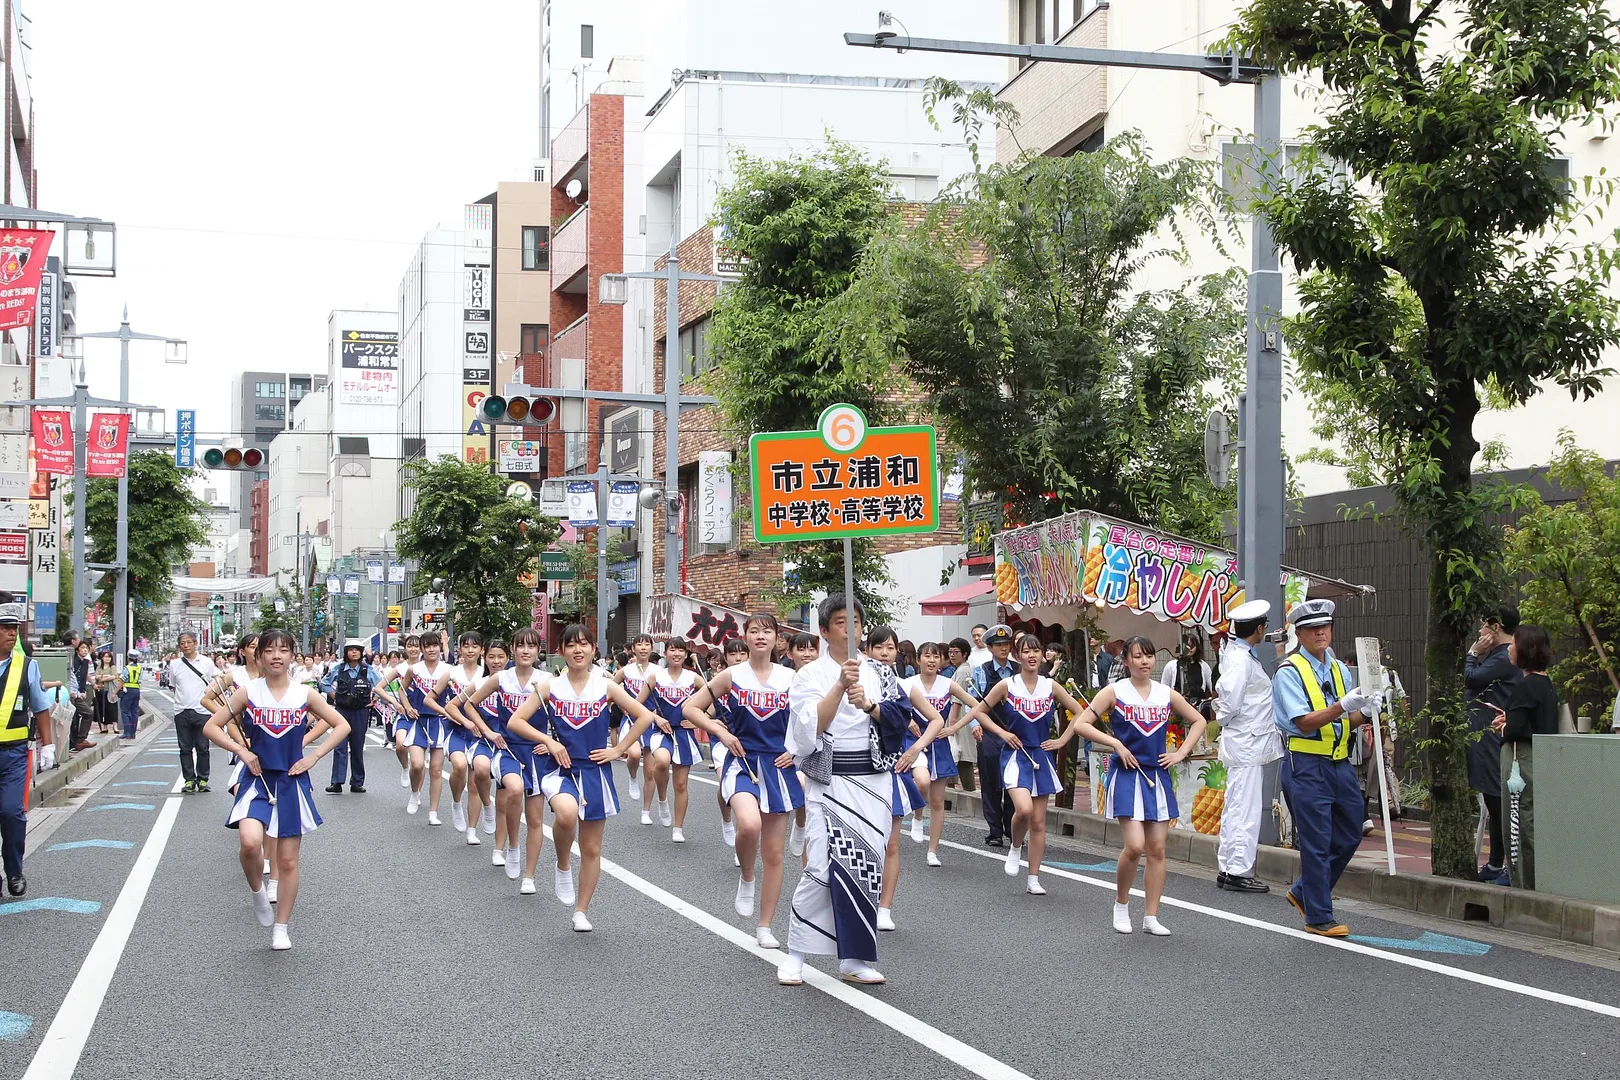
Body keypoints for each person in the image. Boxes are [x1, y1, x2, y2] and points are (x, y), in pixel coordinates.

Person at [203, 628, 350, 951]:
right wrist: (243, 752)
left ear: (292, 656)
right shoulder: (248, 692)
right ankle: (257, 891)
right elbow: (211, 726)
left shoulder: (305, 694)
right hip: (257, 779)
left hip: (292, 782)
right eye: (269, 651)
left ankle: (281, 927)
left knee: (287, 862)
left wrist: (312, 756)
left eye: (283, 650)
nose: (276, 656)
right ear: (258, 656)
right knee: (249, 842)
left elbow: (342, 725)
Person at [506, 623, 660, 930]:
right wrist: (549, 741)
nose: (578, 650)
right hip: (560, 769)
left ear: (593, 649)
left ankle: (581, 910)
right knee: (565, 814)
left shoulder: (606, 686)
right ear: (561, 651)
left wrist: (618, 750)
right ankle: (563, 862)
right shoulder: (550, 686)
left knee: (591, 848)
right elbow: (515, 721)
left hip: (596, 770)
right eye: (571, 645)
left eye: (584, 644)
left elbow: (644, 716)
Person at [1055, 635, 1206, 934]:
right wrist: (1115, 744)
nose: (1145, 661)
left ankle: (1151, 916)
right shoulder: (1114, 691)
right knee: (1135, 846)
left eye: (1148, 656)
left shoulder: (1166, 693)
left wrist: (1181, 753)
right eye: (1137, 656)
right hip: (1126, 775)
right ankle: (1121, 903)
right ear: (1126, 661)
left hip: (1157, 776)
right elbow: (1082, 724)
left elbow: (1199, 720)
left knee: (1158, 849)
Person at [780, 594, 890, 987]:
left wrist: (873, 705)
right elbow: (808, 732)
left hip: (873, 781)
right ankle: (795, 952)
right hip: (831, 782)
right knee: (821, 867)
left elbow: (898, 720)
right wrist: (841, 687)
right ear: (825, 631)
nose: (851, 629)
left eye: (857, 621)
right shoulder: (809, 676)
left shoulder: (880, 671)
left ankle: (855, 957)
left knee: (865, 868)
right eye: (842, 622)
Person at [965, 633, 1114, 897]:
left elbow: (1081, 712)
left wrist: (1062, 740)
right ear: (1017, 655)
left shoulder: (1051, 686)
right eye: (1026, 651)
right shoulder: (1007, 685)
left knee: (1039, 822)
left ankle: (1033, 876)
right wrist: (1002, 734)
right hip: (1015, 755)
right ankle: (1015, 847)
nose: (1032, 656)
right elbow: (978, 712)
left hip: (1042, 756)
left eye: (1036, 650)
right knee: (1022, 809)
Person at [684, 615, 799, 947]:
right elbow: (691, 709)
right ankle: (747, 874)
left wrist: (798, 750)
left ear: (778, 639)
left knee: (775, 854)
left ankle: (765, 926)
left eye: (767, 631)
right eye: (754, 631)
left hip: (778, 766)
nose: (760, 636)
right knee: (748, 825)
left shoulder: (792, 678)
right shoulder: (730, 675)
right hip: (742, 762)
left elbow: (812, 722)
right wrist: (719, 730)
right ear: (744, 637)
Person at [1273, 599, 1377, 937]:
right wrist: (1343, 706)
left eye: (1326, 626)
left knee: (1350, 832)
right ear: (1299, 635)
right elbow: (1303, 722)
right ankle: (1318, 916)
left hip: (1339, 762)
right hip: (1305, 764)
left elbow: (1347, 718)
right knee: (1316, 840)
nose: (1321, 632)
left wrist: (1369, 711)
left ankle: (1305, 891)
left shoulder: (1338, 669)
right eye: (1312, 628)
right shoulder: (1289, 671)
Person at [864, 626, 946, 932]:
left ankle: (885, 907)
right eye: (878, 648)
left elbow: (936, 720)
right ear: (867, 651)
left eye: (890, 648)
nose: (885, 654)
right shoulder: (858, 682)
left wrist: (915, 749)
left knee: (891, 844)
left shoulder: (902, 686)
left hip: (892, 770)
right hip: (859, 771)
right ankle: (860, 901)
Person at [460, 630, 545, 883]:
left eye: (531, 646)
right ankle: (513, 845)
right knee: (514, 790)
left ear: (538, 651)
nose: (526, 651)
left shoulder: (547, 680)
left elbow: (560, 716)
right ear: (513, 650)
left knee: (535, 817)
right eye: (521, 646)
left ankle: (529, 877)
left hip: (537, 753)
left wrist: (552, 742)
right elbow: (468, 704)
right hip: (507, 749)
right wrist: (487, 730)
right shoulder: (500, 679)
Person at [1212, 600, 1283, 893]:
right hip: (1247, 743)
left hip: (1245, 743)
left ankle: (1229, 867)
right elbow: (1228, 705)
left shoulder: (1239, 655)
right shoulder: (1242, 661)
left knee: (1236, 806)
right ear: (1258, 629)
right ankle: (1239, 871)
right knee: (1246, 808)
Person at [1490, 623, 1558, 891]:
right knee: (1531, 819)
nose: (1509, 647)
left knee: (1517, 821)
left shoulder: (1524, 686)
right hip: (1539, 758)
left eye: (1513, 643)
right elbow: (1537, 721)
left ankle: (1522, 882)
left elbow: (1515, 730)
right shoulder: (1544, 683)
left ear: (1524, 650)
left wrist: (1504, 726)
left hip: (1520, 761)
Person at [0, 602, 59, 897]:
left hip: (13, 754)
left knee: (11, 812)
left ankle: (14, 870)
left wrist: (48, 745)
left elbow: (41, 708)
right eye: (5, 629)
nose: (12, 634)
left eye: (14, 629)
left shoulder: (27, 666)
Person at [903, 642, 978, 866]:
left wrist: (955, 727)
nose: (932, 660)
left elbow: (977, 706)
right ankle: (917, 815)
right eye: (927, 656)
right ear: (918, 660)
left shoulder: (949, 684)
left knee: (937, 801)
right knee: (921, 783)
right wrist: (908, 721)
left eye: (936, 656)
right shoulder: (908, 684)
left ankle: (933, 850)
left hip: (939, 743)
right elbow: (890, 707)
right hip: (914, 742)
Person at [1466, 605, 1521, 886]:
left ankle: (1503, 866)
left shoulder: (1503, 656)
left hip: (1491, 737)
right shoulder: (1503, 655)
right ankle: (1497, 863)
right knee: (1493, 800)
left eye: (1484, 626)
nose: (1480, 632)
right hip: (1490, 735)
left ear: (1496, 627)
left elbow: (1471, 679)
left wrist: (1473, 654)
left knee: (1497, 800)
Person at [646, 638, 707, 843]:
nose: (677, 654)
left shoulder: (694, 678)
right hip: (661, 732)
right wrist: (656, 717)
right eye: (672, 650)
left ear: (686, 654)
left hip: (684, 734)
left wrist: (701, 720)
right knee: (662, 761)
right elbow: (636, 705)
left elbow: (714, 699)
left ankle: (678, 828)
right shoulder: (656, 677)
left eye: (681, 650)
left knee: (681, 784)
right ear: (665, 653)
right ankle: (662, 798)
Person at [430, 632, 488, 839]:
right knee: (460, 765)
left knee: (475, 782)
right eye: (466, 646)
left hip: (480, 734)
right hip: (455, 731)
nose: (471, 650)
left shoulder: (486, 674)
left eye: (475, 646)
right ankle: (455, 802)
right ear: (460, 649)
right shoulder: (452, 673)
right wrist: (448, 713)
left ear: (482, 649)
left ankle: (472, 830)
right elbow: (430, 699)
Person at [970, 625, 1018, 848]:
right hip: (989, 731)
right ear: (989, 648)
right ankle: (995, 831)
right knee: (990, 782)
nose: (1003, 648)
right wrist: (974, 724)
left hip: (1015, 732)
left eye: (1006, 645)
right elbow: (973, 701)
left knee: (1014, 781)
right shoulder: (981, 671)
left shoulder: (1018, 671)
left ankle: (1012, 828)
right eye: (998, 645)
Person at [321, 642, 381, 795]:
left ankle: (357, 782)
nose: (354, 653)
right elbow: (324, 683)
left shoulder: (368, 670)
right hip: (342, 711)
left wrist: (374, 699)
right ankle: (337, 782)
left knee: (357, 747)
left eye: (357, 650)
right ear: (346, 652)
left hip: (361, 711)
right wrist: (335, 697)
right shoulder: (338, 669)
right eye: (350, 650)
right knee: (339, 746)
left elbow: (382, 685)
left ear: (361, 653)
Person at [165, 632, 220, 793]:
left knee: (203, 747)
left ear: (195, 643)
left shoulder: (206, 662)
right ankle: (189, 780)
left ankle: (203, 779)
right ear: (179, 646)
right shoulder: (175, 664)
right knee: (185, 748)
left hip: (202, 710)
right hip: (181, 710)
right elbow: (173, 685)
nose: (186, 645)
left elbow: (216, 679)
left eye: (189, 642)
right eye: (183, 643)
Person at [609, 633, 656, 807]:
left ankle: (646, 810)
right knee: (634, 754)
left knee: (651, 771)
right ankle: (633, 776)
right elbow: (609, 691)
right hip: (630, 720)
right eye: (639, 644)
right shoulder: (625, 671)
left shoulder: (658, 672)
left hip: (651, 721)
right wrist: (621, 705)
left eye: (647, 644)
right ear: (633, 649)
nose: (643, 648)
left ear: (652, 647)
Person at [1161, 633, 1215, 724]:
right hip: (1177, 710)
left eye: (1192, 645)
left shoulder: (1203, 666)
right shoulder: (1171, 666)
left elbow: (1213, 687)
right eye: (1185, 645)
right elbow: (1163, 689)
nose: (1189, 648)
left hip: (1198, 710)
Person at [68, 640, 94, 752]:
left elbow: (83, 678)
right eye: (82, 648)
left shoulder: (86, 662)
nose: (84, 650)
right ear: (77, 649)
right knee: (75, 717)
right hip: (71, 692)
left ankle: (80, 740)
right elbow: (70, 676)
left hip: (78, 693)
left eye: (86, 648)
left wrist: (83, 691)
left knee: (87, 713)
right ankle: (75, 742)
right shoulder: (73, 661)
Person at [93, 651, 120, 734]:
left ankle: (115, 727)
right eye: (105, 656)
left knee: (112, 708)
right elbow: (96, 676)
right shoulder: (99, 667)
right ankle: (104, 727)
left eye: (109, 657)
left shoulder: (112, 667)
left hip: (110, 690)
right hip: (100, 690)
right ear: (102, 658)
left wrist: (103, 679)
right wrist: (106, 676)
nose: (107, 658)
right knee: (102, 708)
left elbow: (113, 676)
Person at [119, 650, 144, 740]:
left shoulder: (127, 668)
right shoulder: (140, 668)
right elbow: (140, 680)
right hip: (136, 690)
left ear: (128, 658)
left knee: (125, 711)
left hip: (127, 690)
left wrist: (115, 692)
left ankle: (127, 732)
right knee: (134, 712)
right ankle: (132, 733)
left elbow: (122, 680)